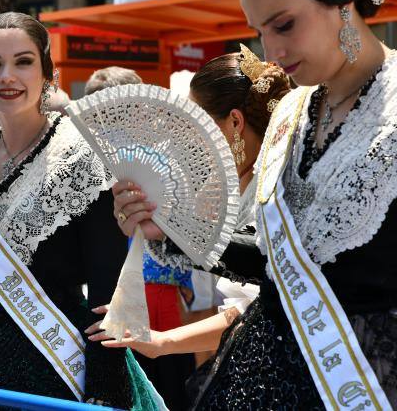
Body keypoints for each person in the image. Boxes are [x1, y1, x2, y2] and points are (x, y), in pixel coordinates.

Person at [98, 0, 397, 408]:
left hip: (363, 377)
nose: (272, 53)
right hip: (260, 369)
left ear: (342, 2)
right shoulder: (292, 114)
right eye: (259, 33)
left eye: (284, 25)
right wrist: (170, 227)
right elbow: (274, 261)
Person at [0, 12, 161, 409]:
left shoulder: (86, 157)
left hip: (51, 372)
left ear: (47, 72)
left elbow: (106, 298)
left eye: (23, 61)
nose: (7, 76)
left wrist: (105, 392)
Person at [87, 48, 292, 401]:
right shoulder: (238, 188)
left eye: (196, 123)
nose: (188, 137)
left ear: (235, 123)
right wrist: (160, 341)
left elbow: (255, 300)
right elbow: (243, 309)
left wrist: (163, 341)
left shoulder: (273, 192)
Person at [84, 65, 196, 410]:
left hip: (163, 296)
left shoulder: (169, 162)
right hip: (107, 297)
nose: (108, 124)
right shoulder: (82, 166)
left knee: (168, 389)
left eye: (116, 110)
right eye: (99, 113)